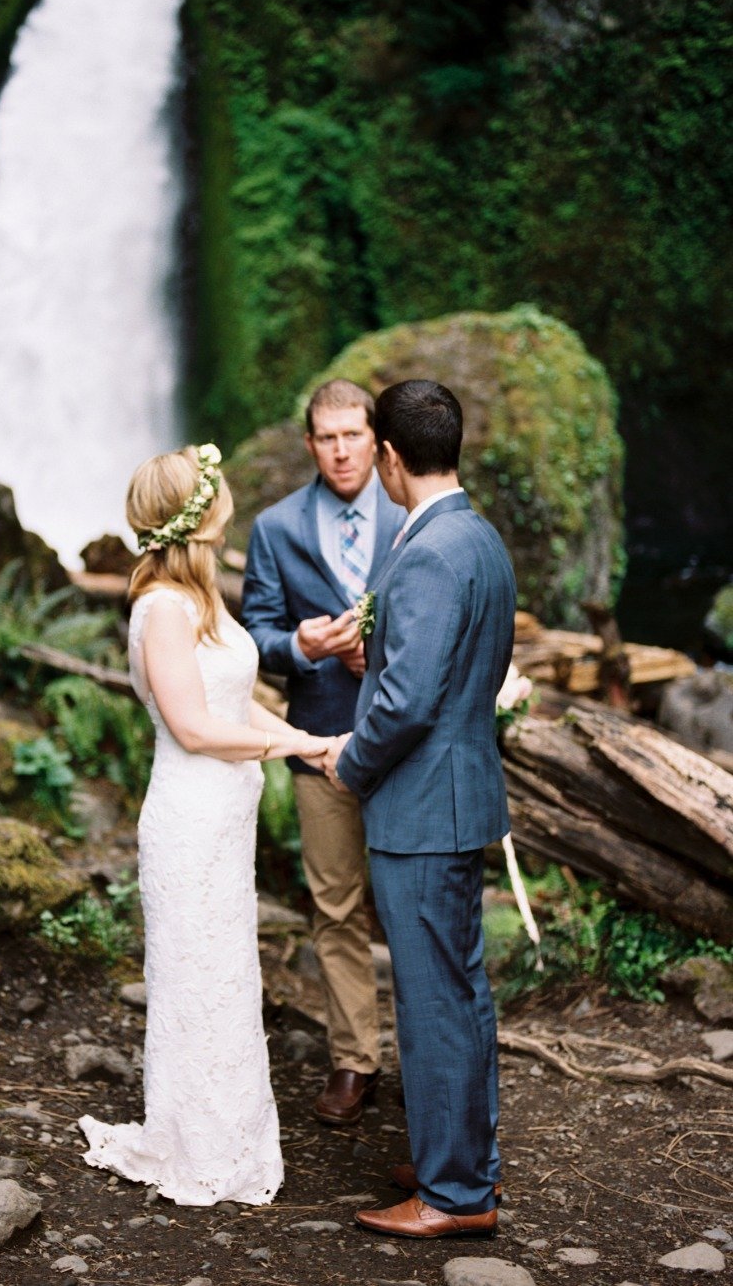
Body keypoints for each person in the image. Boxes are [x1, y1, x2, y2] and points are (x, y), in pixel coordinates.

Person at [80, 444, 330, 1206]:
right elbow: (191, 727)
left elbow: (230, 703)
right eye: (216, 489)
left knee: (229, 976)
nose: (228, 498)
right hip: (189, 817)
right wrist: (293, 743)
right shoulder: (160, 607)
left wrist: (301, 739)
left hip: (228, 816)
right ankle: (195, 1143)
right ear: (200, 511)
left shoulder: (205, 595)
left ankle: (232, 1137)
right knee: (197, 979)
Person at [322, 379, 516, 1240]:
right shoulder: (480, 537)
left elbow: (405, 701)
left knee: (435, 999)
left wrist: (351, 763)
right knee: (462, 991)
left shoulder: (432, 550)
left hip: (422, 808)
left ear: (391, 458)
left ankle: (452, 1195)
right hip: (459, 793)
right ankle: (464, 1162)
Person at [241, 380, 406, 1124]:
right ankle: (353, 1059)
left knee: (410, 908)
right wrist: (302, 646)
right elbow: (256, 637)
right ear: (309, 443)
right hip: (319, 746)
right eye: (326, 437)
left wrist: (389, 655)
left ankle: (429, 1063)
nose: (340, 449)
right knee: (335, 906)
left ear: (376, 438)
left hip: (405, 747)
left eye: (352, 434)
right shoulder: (276, 528)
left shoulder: (412, 517)